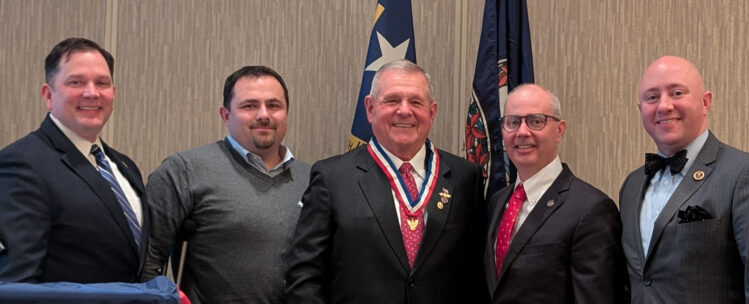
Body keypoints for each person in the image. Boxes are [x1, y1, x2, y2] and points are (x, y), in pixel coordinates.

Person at [284, 59, 487, 303]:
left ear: (431, 112)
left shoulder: (465, 177)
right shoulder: (332, 178)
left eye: (416, 101)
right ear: (370, 108)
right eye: (392, 100)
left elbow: (476, 272)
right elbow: (305, 276)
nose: (404, 110)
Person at [141, 65, 310, 303]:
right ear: (226, 115)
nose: (264, 114)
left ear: (286, 113)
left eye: (274, 105)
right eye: (249, 105)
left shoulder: (313, 179)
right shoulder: (184, 170)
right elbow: (149, 259)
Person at [620, 56, 749, 303]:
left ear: (705, 102)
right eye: (652, 97)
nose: (664, 106)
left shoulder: (747, 173)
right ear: (640, 108)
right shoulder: (632, 185)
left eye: (677, 93)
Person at [0, 37, 148, 283]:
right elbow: (17, 282)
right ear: (49, 95)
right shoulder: (21, 164)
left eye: (102, 83)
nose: (92, 93)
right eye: (76, 82)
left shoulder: (125, 166)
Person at [485, 84, 625, 303]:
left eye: (536, 121)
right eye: (513, 122)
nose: (522, 132)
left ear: (559, 130)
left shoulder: (591, 209)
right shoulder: (496, 202)